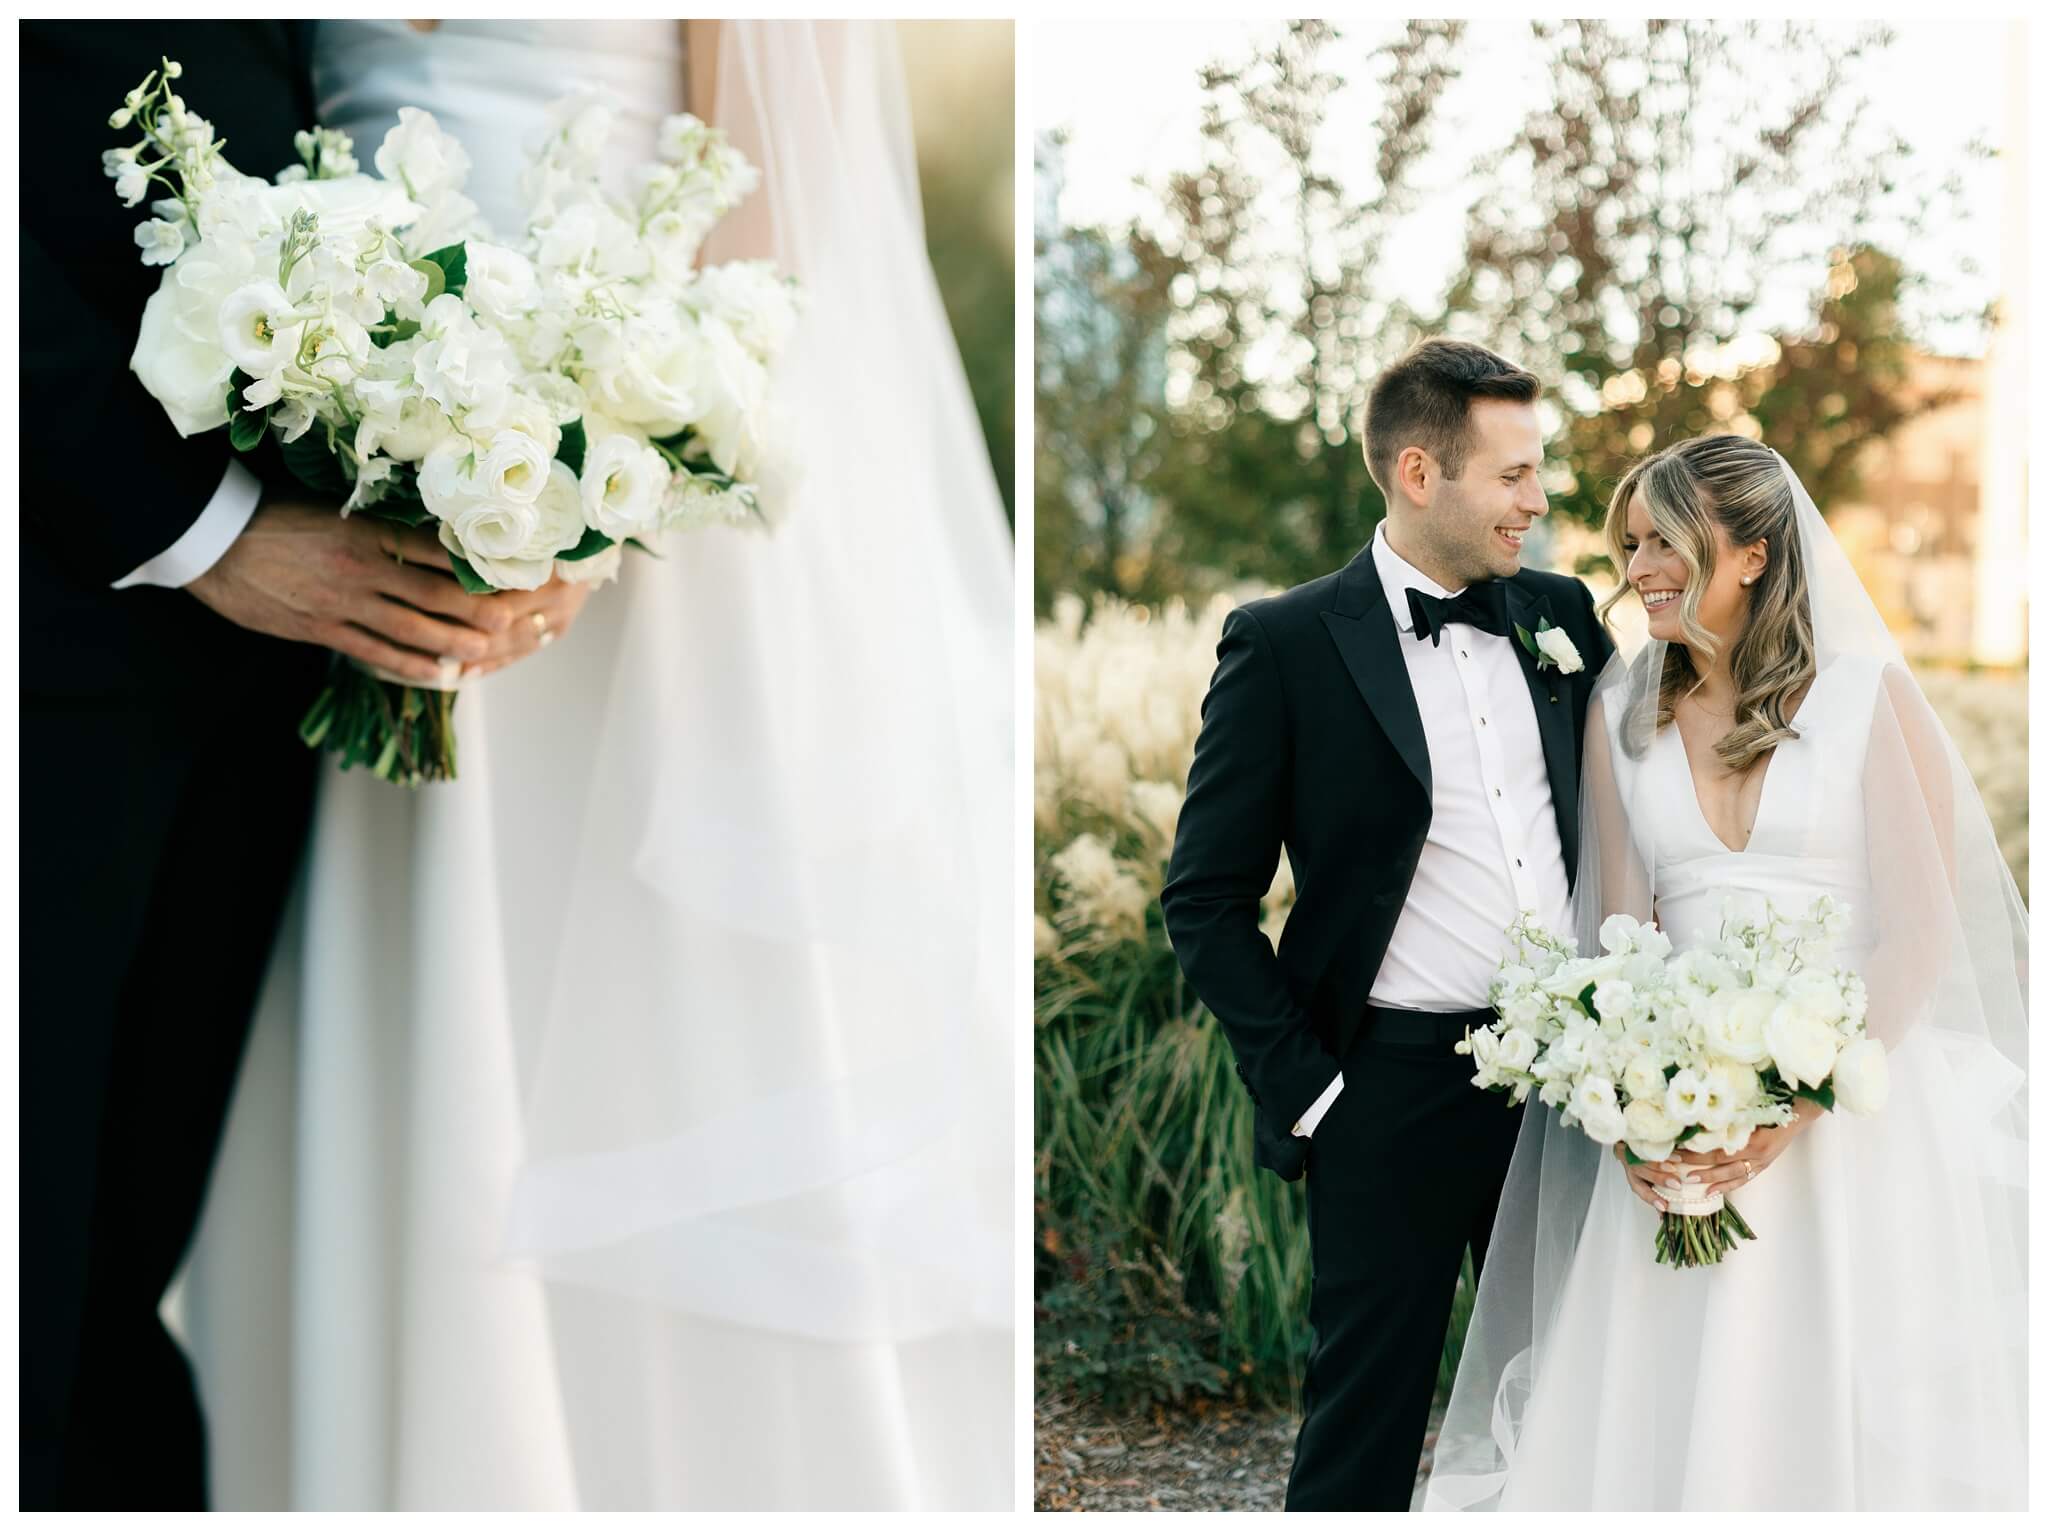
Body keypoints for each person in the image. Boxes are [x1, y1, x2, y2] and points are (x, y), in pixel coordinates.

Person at [163, 19, 1015, 1511]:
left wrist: (605, 487)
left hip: (626, 497)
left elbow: (776, 223)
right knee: (396, 1003)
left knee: (645, 1032)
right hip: (345, 493)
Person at [18, 21, 565, 1509]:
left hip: (283, 652)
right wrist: (201, 527)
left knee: (112, 1283)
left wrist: (554, 498)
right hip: (55, 612)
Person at [1425, 434, 2028, 1509]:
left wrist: (1793, 1108)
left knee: (1849, 1411)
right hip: (1681, 1135)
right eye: (1629, 544)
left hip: (1858, 1122)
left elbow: (1918, 933)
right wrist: (1631, 1119)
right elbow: (1616, 937)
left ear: (1749, 552)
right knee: (1673, 1410)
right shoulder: (1621, 714)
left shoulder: (1866, 699)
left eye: (1666, 539)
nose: (1639, 567)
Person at [1161, 338, 1615, 1510]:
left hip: (1574, 1086)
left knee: (1576, 1400)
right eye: (1511, 474)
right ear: (1419, 473)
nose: (1538, 498)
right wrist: (1313, 1092)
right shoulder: (1284, 643)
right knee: (1364, 1415)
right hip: (1386, 1091)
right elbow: (1203, 897)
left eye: (1537, 470)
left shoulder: (1561, 616)